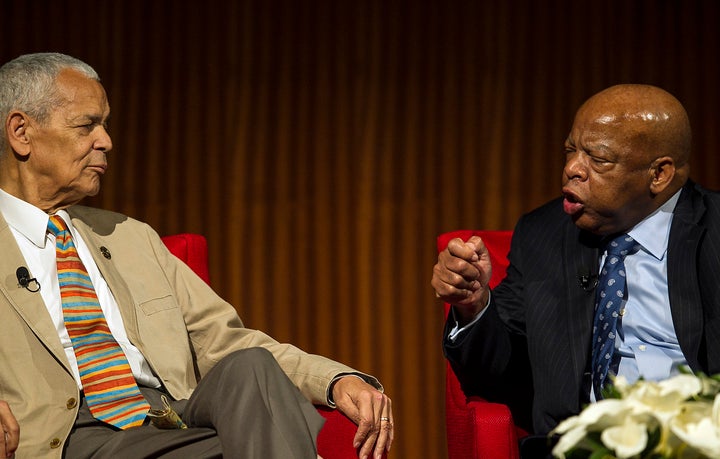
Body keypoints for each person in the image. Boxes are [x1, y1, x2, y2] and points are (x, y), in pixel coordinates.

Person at [0, 52, 393, 459]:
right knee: (274, 439)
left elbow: (225, 342)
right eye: (87, 125)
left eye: (105, 125)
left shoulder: (130, 237)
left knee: (252, 366)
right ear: (21, 132)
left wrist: (334, 380)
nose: (106, 141)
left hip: (175, 419)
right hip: (75, 434)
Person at [431, 83, 720, 456]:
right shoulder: (545, 234)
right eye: (571, 150)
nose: (571, 169)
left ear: (659, 174)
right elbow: (497, 372)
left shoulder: (714, 232)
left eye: (597, 160)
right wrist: (474, 306)